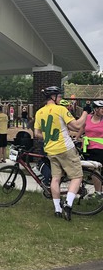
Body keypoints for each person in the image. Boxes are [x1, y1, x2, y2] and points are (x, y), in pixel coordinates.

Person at [34, 86, 89, 221]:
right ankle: (68, 204)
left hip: (50, 150)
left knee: (55, 179)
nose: (60, 98)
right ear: (53, 97)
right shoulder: (60, 109)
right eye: (59, 96)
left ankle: (57, 209)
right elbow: (76, 126)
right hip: (65, 148)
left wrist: (48, 137)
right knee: (77, 176)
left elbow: (36, 133)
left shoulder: (39, 112)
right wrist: (85, 113)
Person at [77, 100, 103, 197]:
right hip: (88, 148)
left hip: (100, 149)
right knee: (93, 170)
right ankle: (98, 192)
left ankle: (99, 192)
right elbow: (82, 128)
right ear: (95, 109)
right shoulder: (87, 118)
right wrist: (76, 138)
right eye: (101, 109)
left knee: (98, 170)